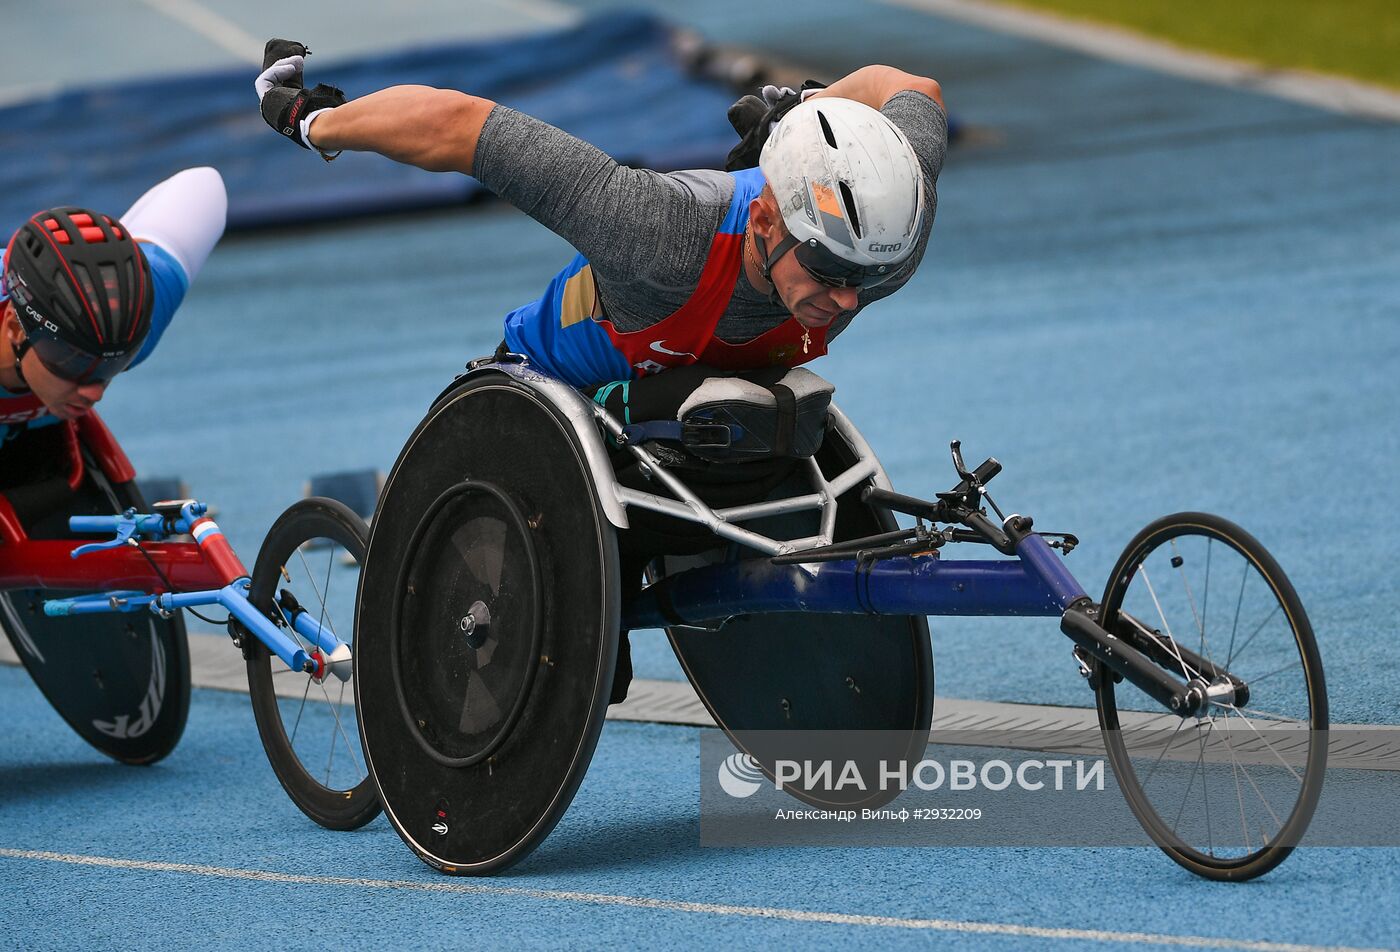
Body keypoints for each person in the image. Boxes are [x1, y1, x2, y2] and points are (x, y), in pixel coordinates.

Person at [255, 45, 947, 701]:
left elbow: (917, 91)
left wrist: (808, 110)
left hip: (693, 412)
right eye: (829, 268)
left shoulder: (892, 226)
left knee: (776, 415)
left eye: (869, 274)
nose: (850, 298)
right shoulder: (657, 231)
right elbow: (459, 126)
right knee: (576, 677)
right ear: (767, 218)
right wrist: (314, 121)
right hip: (558, 398)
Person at [1, 168, 228, 510]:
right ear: (15, 329)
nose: (94, 392)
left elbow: (205, 184)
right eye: (74, 361)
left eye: (113, 365)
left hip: (36, 452)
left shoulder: (129, 321)